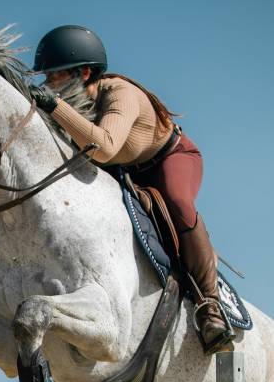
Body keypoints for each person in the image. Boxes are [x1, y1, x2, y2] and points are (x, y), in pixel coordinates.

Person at [29, 25, 235, 355]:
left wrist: (54, 107)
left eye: (55, 75)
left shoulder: (120, 93)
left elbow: (105, 147)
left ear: (84, 73)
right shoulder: (73, 98)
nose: (48, 83)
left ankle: (210, 307)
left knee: (177, 200)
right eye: (46, 76)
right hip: (125, 169)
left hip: (169, 158)